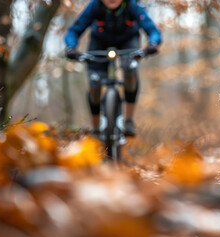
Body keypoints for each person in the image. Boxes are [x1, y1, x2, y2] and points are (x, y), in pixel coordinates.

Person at [64, 0, 161, 136]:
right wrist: (71, 47)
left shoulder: (131, 6)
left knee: (130, 69)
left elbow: (152, 29)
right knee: (94, 81)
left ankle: (128, 120)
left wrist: (153, 43)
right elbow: (74, 30)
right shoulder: (95, 6)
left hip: (128, 41)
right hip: (99, 43)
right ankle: (96, 127)